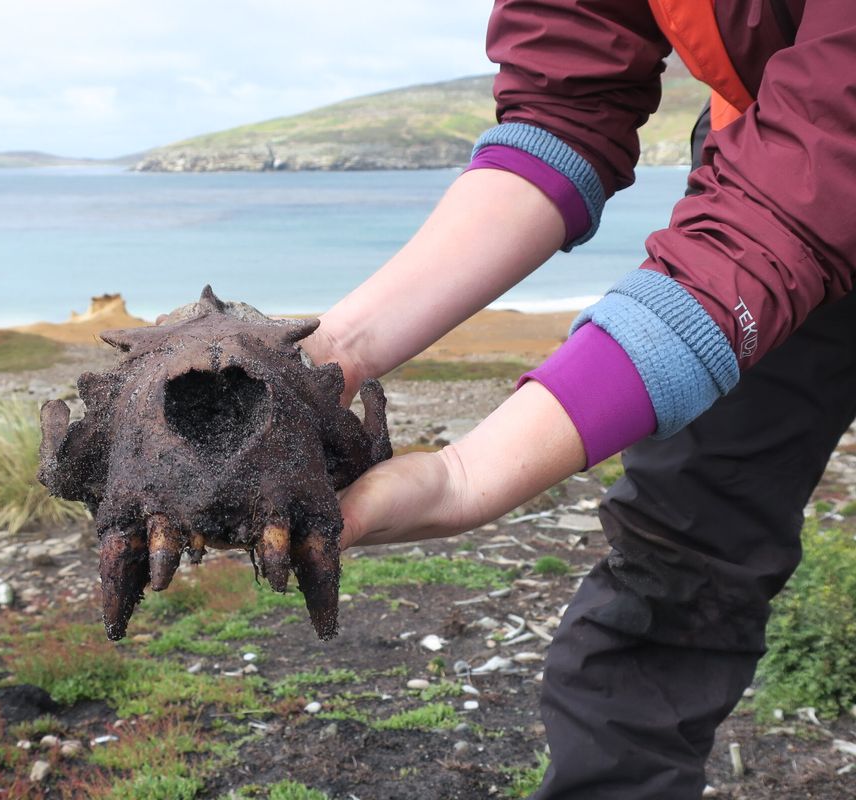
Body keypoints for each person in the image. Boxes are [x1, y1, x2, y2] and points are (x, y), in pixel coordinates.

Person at [301, 1, 854, 797]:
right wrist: (333, 352)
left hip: (790, 180)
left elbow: (804, 190)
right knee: (681, 553)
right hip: (765, 151)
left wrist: (468, 476)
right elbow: (565, 106)